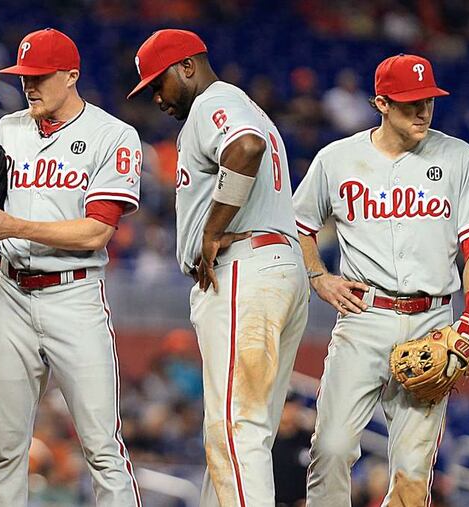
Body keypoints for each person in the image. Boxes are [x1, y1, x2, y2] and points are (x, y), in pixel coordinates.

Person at [293, 54, 469, 506]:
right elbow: (298, 225)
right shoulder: (338, 159)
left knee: (412, 475)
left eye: (428, 101)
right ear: (381, 103)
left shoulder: (457, 156)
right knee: (330, 450)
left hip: (433, 321)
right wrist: (318, 276)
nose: (423, 112)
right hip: (365, 316)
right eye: (410, 104)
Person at [128, 29, 309, 507]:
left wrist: (212, 229)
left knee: (234, 431)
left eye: (157, 84)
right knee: (241, 433)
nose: (157, 98)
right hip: (275, 266)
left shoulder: (214, 101)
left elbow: (245, 147)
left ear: (186, 66)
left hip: (244, 268)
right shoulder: (243, 104)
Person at [0, 28, 142, 506]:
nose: (30, 85)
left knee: (102, 446)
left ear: (71, 76)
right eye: (24, 75)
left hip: (74, 295)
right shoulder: (8, 128)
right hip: (9, 291)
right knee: (4, 448)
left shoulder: (112, 135)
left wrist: (14, 225)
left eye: (41, 76)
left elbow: (96, 231)